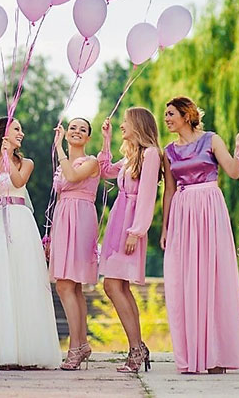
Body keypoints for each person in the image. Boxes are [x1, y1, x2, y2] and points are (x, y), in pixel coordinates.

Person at [0, 117, 61, 369]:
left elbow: (18, 182)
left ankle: (27, 352)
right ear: (3, 132)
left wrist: (7, 156)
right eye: (17, 128)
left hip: (20, 223)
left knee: (23, 280)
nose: (22, 133)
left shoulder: (26, 162)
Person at [161, 96, 239, 374]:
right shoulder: (168, 151)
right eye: (165, 114)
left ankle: (216, 354)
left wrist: (238, 147)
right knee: (185, 280)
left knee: (213, 277)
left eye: (171, 113)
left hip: (210, 207)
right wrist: (165, 228)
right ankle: (192, 355)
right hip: (183, 212)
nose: (166, 118)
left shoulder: (212, 139)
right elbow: (169, 190)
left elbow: (233, 173)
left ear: (187, 115)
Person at [97, 108, 162, 373]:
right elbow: (104, 171)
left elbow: (148, 195)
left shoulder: (151, 155)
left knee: (113, 286)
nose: (122, 124)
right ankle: (137, 348)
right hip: (118, 224)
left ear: (138, 125)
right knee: (119, 287)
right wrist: (106, 139)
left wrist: (137, 231)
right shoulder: (130, 158)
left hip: (131, 227)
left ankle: (136, 349)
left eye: (126, 121)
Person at [50, 118, 100, 370]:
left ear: (88, 137)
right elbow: (62, 186)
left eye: (83, 129)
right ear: (67, 133)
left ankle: (75, 346)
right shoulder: (64, 166)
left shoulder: (91, 162)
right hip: (64, 218)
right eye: (73, 128)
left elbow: (71, 175)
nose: (77, 131)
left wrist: (58, 148)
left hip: (80, 219)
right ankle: (81, 344)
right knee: (72, 286)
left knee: (66, 284)